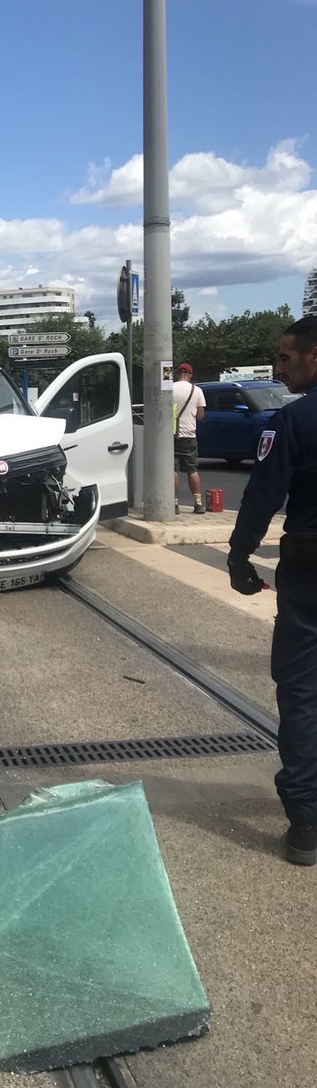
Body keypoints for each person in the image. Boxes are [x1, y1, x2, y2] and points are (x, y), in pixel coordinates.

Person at [227, 315, 317, 865]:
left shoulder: (294, 420)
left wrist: (240, 556)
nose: (279, 367)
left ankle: (306, 822)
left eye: (286, 358)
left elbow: (263, 494)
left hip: (309, 577)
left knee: (302, 694)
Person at [173, 363, 207, 514]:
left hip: (171, 435)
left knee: (173, 471)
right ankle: (198, 504)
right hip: (189, 436)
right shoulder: (197, 391)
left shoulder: (170, 388)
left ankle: (174, 504)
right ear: (191, 374)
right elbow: (200, 416)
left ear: (177, 373)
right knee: (192, 470)